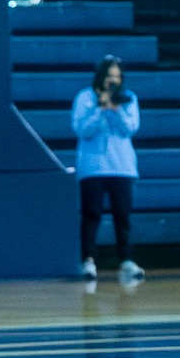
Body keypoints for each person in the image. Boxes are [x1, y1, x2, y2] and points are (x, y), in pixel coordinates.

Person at [73, 56, 142, 282]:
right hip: (93, 168)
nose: (113, 80)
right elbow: (82, 130)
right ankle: (88, 260)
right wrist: (100, 109)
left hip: (122, 167)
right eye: (109, 76)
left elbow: (130, 129)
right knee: (91, 215)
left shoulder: (129, 98)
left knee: (122, 216)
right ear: (100, 76)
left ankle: (126, 260)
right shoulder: (85, 97)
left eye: (117, 76)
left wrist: (116, 109)